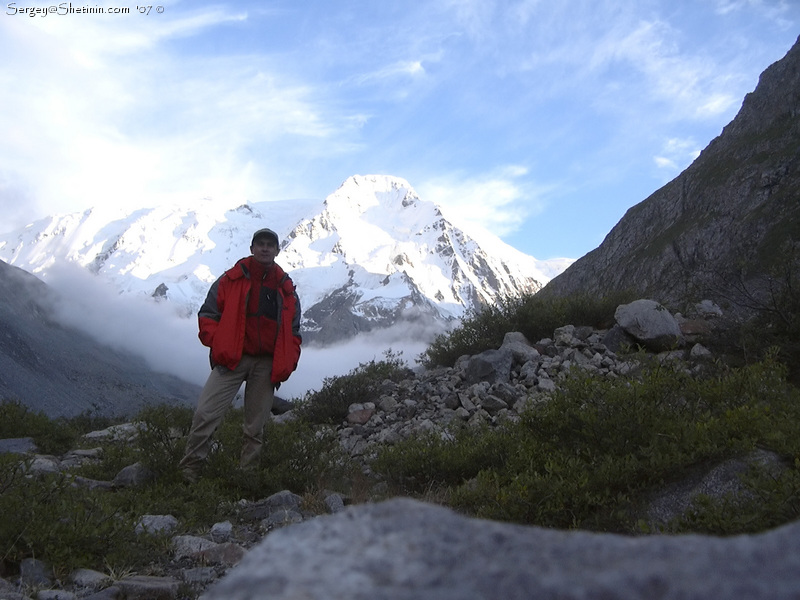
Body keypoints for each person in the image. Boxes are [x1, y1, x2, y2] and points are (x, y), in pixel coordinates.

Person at [179, 227, 302, 482]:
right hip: (232, 359)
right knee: (205, 414)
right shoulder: (231, 279)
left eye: (270, 244)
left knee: (255, 427)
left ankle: (246, 479)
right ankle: (189, 473)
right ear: (252, 248)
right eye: (260, 244)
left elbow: (294, 331)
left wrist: (287, 362)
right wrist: (220, 343)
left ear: (278, 250)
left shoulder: (285, 286)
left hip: (266, 363)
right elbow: (208, 314)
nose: (265, 248)